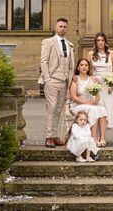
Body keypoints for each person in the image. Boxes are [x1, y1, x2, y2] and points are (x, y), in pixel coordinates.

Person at [40, 17, 74, 148]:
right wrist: (47, 78)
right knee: (52, 107)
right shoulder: (48, 42)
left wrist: (70, 82)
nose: (62, 29)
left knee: (59, 109)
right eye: (60, 26)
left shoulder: (70, 45)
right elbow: (44, 61)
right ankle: (48, 136)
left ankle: (54, 136)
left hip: (64, 81)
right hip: (52, 79)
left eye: (65, 27)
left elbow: (71, 65)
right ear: (56, 27)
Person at [68, 57, 109, 146]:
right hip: (77, 104)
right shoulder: (75, 79)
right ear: (78, 68)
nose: (84, 67)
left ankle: (102, 138)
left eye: (86, 65)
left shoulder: (92, 79)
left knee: (102, 109)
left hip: (90, 103)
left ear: (88, 67)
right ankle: (93, 137)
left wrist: (96, 99)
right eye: (81, 65)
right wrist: (88, 103)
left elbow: (97, 95)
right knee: (93, 109)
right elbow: (73, 97)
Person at [90, 32, 113, 129]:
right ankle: (97, 133)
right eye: (98, 40)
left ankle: (104, 132)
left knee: (108, 107)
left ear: (105, 42)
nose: (100, 42)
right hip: (96, 84)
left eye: (102, 40)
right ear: (95, 42)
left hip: (109, 84)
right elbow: (89, 70)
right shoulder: (91, 54)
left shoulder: (111, 53)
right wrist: (93, 81)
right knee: (98, 106)